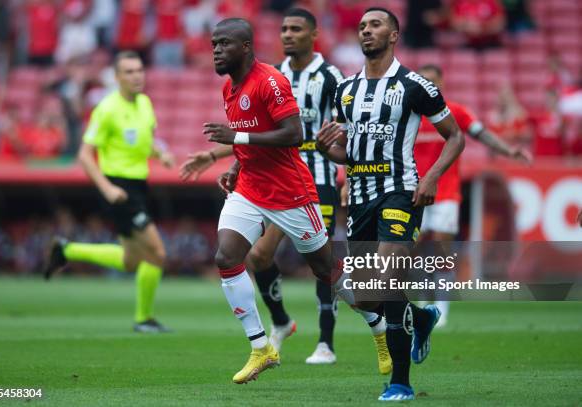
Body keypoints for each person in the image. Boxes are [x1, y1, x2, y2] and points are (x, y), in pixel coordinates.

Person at [180, 8, 391, 371]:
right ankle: (261, 346)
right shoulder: (229, 85)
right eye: (213, 44)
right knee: (227, 257)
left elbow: (293, 134)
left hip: (292, 191)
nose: (215, 50)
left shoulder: (272, 81)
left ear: (245, 47)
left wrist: (236, 138)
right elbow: (251, 136)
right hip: (250, 188)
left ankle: (380, 328)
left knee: (327, 271)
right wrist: (235, 163)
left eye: (223, 44)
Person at [316, 8, 465, 401]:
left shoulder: (415, 85)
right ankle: (421, 315)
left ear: (394, 34)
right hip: (361, 196)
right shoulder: (345, 90)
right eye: (362, 26)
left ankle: (400, 381)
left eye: (375, 25)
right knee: (363, 296)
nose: (367, 31)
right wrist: (325, 149)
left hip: (400, 191)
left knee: (387, 279)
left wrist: (431, 177)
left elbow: (455, 137)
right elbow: (348, 154)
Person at [43, 51, 175, 333]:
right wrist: (107, 188)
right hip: (119, 188)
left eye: (139, 70)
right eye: (128, 72)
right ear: (116, 78)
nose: (136, 75)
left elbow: (144, 139)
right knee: (157, 253)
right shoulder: (107, 109)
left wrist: (159, 154)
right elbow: (84, 155)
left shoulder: (145, 103)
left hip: (139, 186)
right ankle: (144, 319)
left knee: (130, 261)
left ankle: (67, 250)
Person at [414, 64, 532, 326]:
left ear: (442, 83)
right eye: (423, 81)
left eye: (432, 80)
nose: (428, 85)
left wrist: (509, 151)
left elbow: (483, 134)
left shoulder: (454, 112)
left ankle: (441, 308)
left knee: (441, 251)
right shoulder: (409, 115)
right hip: (413, 196)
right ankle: (423, 303)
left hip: (445, 194)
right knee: (416, 252)